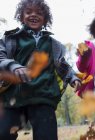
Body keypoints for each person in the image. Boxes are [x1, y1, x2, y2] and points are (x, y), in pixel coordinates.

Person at [0, 0, 81, 140]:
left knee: (46, 136)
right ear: (21, 16)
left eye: (39, 13)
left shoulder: (53, 44)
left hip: (43, 97)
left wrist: (73, 77)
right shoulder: (11, 38)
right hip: (13, 98)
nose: (34, 15)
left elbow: (63, 65)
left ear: (45, 19)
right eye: (29, 12)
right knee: (3, 134)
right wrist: (14, 66)